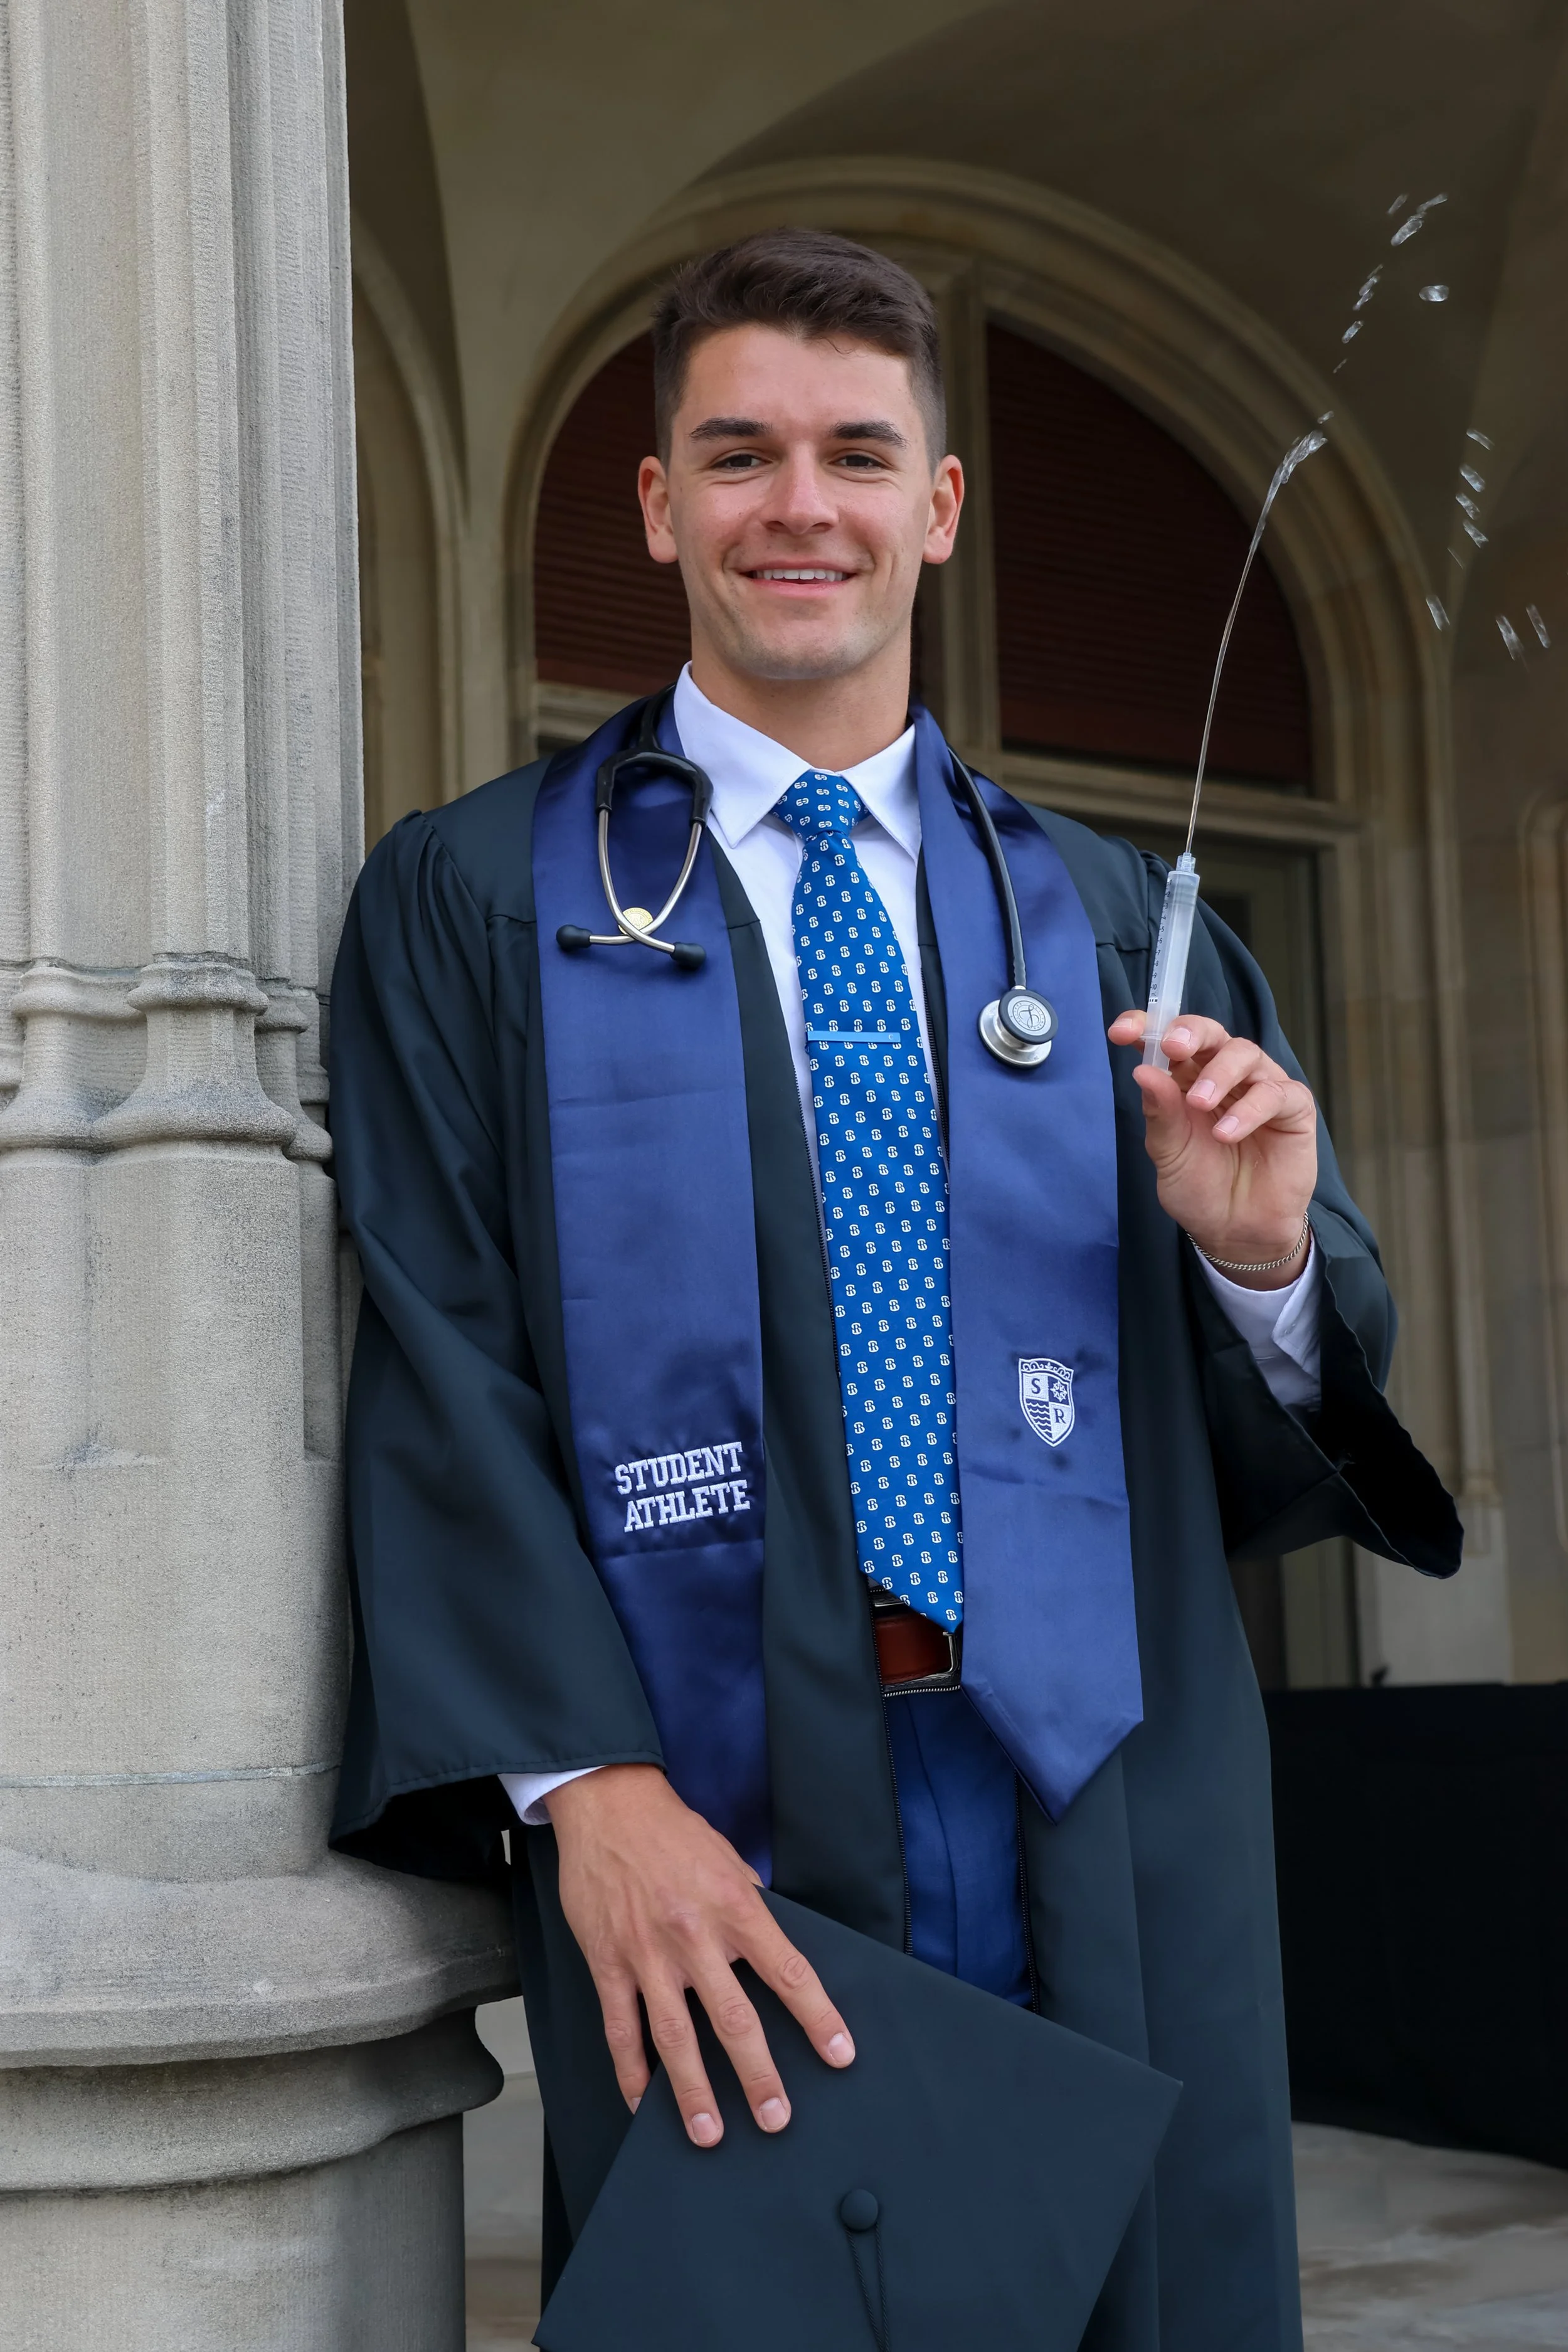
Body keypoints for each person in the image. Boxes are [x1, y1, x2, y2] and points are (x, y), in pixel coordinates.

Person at [328, 230, 1459, 2348]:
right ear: (658, 502)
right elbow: (437, 1356)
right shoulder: (481, 899)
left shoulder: (1111, 913)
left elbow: (1284, 1401)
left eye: (858, 452)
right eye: (736, 452)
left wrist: (1256, 1252)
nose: (800, 505)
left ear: (935, 508)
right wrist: (586, 1789)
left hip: (1097, 1784)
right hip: (709, 1798)